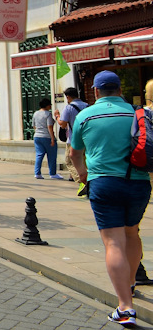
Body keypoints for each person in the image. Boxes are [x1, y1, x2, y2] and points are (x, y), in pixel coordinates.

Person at [71, 70, 151, 327]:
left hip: (104, 184)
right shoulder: (138, 113)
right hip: (139, 184)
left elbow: (75, 153)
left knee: (113, 243)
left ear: (95, 91)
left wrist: (84, 176)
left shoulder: (85, 115)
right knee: (132, 234)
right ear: (119, 90)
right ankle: (129, 283)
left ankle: (125, 307)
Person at [57, 87, 89, 185]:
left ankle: (83, 182)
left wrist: (57, 116)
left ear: (68, 97)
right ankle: (89, 180)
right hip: (86, 140)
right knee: (84, 162)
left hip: (73, 140)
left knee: (70, 161)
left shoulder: (69, 107)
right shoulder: (87, 106)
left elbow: (62, 124)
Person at [32, 98, 62, 180]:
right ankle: (52, 173)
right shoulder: (48, 114)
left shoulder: (35, 113)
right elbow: (50, 126)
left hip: (37, 136)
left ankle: (37, 173)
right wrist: (52, 138)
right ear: (47, 105)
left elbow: (34, 125)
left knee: (39, 155)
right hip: (47, 137)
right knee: (52, 156)